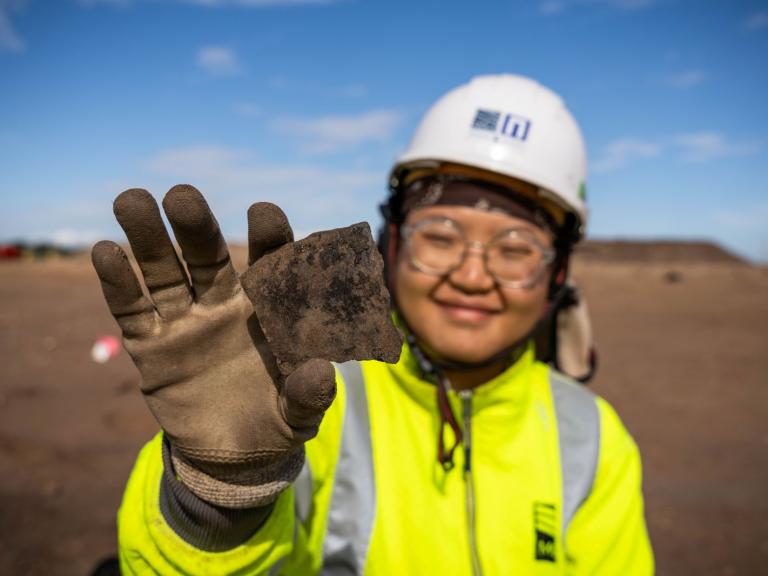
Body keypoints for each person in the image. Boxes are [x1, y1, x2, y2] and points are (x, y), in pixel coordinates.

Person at [92, 74, 654, 575]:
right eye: (441, 235)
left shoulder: (594, 440)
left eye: (516, 248)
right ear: (390, 244)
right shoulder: (307, 402)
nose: (473, 275)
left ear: (557, 275)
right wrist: (218, 498)